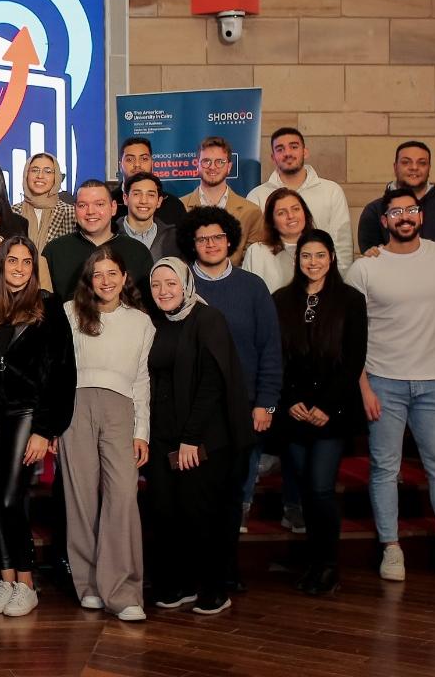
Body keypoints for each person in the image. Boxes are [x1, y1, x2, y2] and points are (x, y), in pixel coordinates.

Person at [346, 188, 435, 585]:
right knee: (385, 469)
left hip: (434, 384)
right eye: (396, 212)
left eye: (411, 210)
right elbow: (351, 335)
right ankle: (391, 548)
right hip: (382, 382)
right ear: (384, 220)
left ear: (421, 216)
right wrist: (364, 386)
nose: (404, 217)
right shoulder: (365, 268)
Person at [176, 206, 281, 581]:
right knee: (193, 496)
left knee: (233, 495)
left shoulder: (252, 287)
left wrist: (265, 402)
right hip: (194, 415)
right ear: (192, 242)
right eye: (202, 238)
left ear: (230, 240)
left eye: (217, 237)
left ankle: (225, 570)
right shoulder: (182, 285)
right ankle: (195, 570)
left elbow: (269, 347)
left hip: (242, 411)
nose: (210, 244)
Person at [0, 236, 72, 617]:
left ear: (33, 266)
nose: (18, 268)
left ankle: (27, 582)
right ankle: (6, 579)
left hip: (27, 414)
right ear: (1, 264)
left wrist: (45, 430)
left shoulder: (49, 306)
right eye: (11, 261)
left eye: (25, 262)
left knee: (12, 498)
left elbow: (62, 373)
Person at [144, 258, 252, 615]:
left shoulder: (208, 319)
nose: (163, 291)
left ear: (187, 284)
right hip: (162, 437)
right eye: (157, 284)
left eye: (171, 283)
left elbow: (212, 383)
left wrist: (190, 438)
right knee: (165, 512)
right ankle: (179, 583)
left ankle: (214, 588)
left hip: (202, 439)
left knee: (201, 514)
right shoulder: (154, 323)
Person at [270, 229, 366, 596]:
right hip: (294, 412)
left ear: (331, 258)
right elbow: (277, 356)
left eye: (320, 256)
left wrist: (327, 405)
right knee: (303, 490)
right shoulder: (281, 300)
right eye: (306, 256)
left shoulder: (350, 301)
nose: (313, 262)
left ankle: (328, 565)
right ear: (298, 260)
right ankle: (312, 561)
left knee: (321, 488)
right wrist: (290, 398)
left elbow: (353, 359)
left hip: (332, 412)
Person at [62, 246, 153, 622]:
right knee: (80, 499)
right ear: (89, 279)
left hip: (121, 410)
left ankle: (124, 590)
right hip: (76, 407)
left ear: (124, 277)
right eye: (98, 274)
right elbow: (59, 371)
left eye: (112, 273)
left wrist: (142, 431)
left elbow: (143, 379)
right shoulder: (70, 313)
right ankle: (89, 586)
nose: (106, 281)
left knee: (122, 498)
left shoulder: (141, 322)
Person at [246, 128, 353, 268]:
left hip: (322, 281)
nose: (288, 153)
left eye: (294, 147)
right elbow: (253, 250)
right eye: (280, 149)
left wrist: (337, 284)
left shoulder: (331, 191)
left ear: (305, 151)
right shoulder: (257, 196)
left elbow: (342, 245)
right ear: (273, 157)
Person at [357, 141, 435, 255]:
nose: (414, 167)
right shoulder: (374, 210)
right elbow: (371, 255)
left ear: (429, 168)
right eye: (406, 162)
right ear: (395, 167)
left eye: (422, 163)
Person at [41, 179, 153, 297]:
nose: (90, 211)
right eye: (83, 205)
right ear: (75, 209)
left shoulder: (137, 251)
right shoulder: (54, 251)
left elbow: (148, 305)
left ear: (113, 207)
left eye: (99, 204)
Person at [180, 137, 265, 265]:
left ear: (229, 166)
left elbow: (253, 262)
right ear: (197, 165)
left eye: (220, 162)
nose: (212, 167)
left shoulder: (251, 212)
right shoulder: (179, 207)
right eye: (206, 161)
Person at [15, 153, 77, 285]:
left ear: (57, 177)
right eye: (35, 170)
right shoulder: (12, 213)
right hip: (17, 290)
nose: (40, 176)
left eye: (48, 171)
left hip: (57, 290)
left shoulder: (71, 214)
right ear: (26, 174)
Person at [242, 188, 313, 292]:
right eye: (281, 213)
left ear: (305, 213)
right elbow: (246, 293)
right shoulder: (257, 252)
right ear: (272, 221)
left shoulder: (320, 247)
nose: (291, 216)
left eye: (296, 209)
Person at [106, 137, 185, 224]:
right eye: (129, 159)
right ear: (120, 166)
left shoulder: (173, 205)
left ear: (152, 163)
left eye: (144, 159)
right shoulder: (107, 203)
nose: (137, 165)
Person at [120, 171, 179, 261]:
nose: (144, 201)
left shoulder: (174, 238)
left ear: (159, 201)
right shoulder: (110, 235)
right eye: (137, 194)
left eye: (151, 195)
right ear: (125, 198)